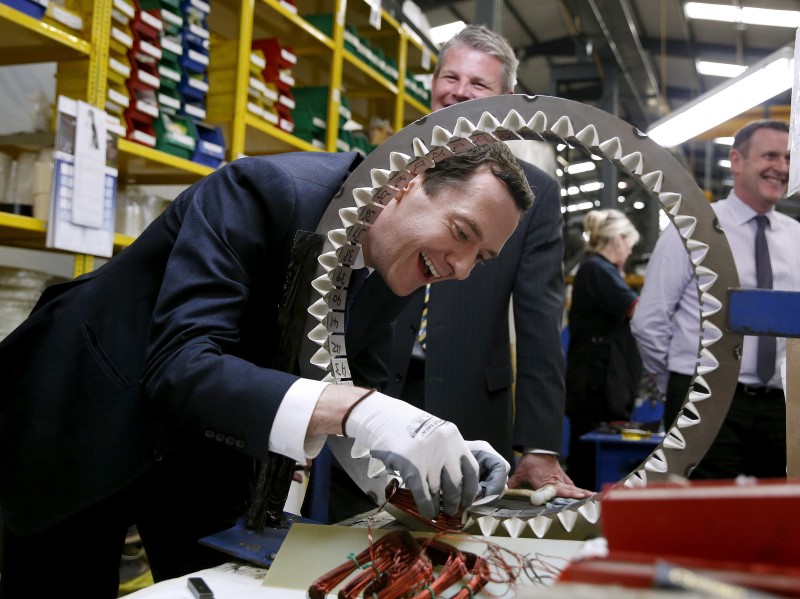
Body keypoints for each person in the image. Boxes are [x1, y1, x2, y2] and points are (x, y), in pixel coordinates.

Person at [0, 143, 532, 598]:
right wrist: (362, 411)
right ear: (409, 181)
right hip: (83, 412)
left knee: (212, 582)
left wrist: (429, 454)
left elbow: (356, 392)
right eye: (462, 233)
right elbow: (183, 364)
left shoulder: (402, 264)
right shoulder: (262, 189)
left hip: (203, 440)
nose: (460, 269)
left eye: (480, 258)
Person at [381, 25, 591, 498]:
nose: (459, 92)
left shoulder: (533, 194)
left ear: (506, 100)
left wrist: (539, 444)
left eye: (479, 85)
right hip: (377, 388)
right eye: (450, 76)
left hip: (470, 404)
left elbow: (540, 318)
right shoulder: (386, 168)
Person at [632, 119, 800, 480]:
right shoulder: (692, 228)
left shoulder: (796, 237)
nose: (782, 167)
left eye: (788, 158)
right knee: (706, 518)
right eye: (770, 155)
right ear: (736, 161)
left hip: (779, 410)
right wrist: (681, 384)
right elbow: (650, 320)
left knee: (771, 521)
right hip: (704, 398)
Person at [564, 209, 642, 491]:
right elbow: (637, 310)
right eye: (630, 246)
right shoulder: (598, 270)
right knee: (588, 465)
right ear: (619, 239)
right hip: (596, 388)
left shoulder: (598, 270)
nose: (630, 253)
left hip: (599, 384)